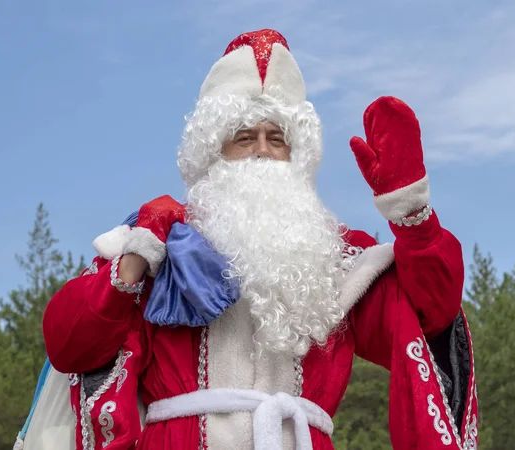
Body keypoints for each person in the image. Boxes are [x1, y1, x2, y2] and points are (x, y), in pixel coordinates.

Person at [36, 29, 478, 450]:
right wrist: (138, 255)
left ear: (295, 154)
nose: (263, 150)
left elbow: (431, 313)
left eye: (277, 139)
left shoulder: (337, 256)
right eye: (244, 138)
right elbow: (69, 345)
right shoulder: (161, 240)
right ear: (213, 152)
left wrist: (411, 215)